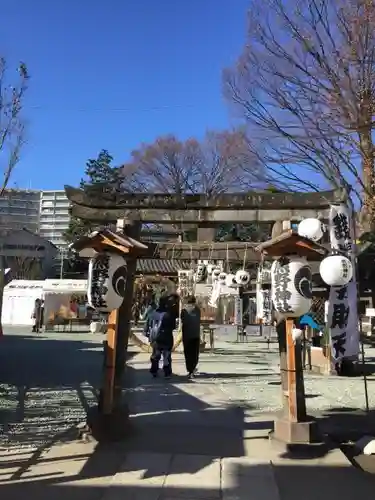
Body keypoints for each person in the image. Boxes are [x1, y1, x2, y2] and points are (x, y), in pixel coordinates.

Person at [147, 296, 176, 378]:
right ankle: (167, 372)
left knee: (156, 354)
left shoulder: (153, 313)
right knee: (167, 355)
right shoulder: (169, 314)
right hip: (167, 337)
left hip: (156, 338)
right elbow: (173, 327)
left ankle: (154, 371)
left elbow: (149, 325)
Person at [180, 295, 201, 379]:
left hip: (187, 336)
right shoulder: (197, 310)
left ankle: (190, 370)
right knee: (195, 354)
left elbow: (183, 321)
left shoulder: (184, 311)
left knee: (188, 354)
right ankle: (192, 369)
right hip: (196, 335)